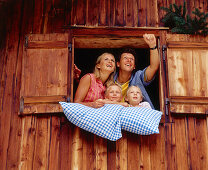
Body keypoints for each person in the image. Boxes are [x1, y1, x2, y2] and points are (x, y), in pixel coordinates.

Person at [114, 34, 159, 108]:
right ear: (118, 64)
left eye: (131, 59)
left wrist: (153, 46)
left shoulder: (138, 76)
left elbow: (153, 67)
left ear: (134, 66)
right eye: (125, 58)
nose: (129, 60)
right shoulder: (110, 79)